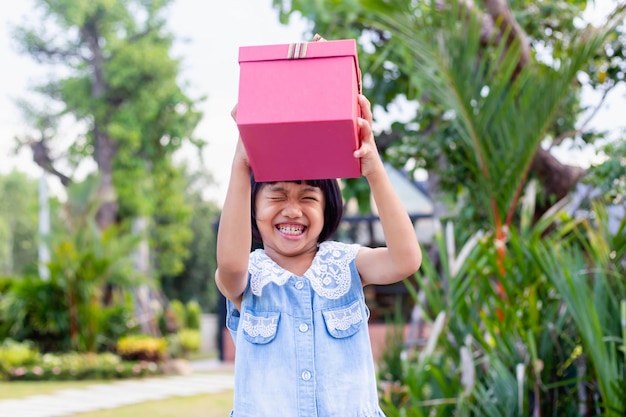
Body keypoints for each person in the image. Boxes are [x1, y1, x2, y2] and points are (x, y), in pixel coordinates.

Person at [215, 94, 423, 417]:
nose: (293, 210)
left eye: (308, 197)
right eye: (278, 196)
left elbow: (406, 259)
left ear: (327, 208)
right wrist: (241, 166)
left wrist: (374, 170)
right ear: (252, 207)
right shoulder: (247, 275)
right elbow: (228, 264)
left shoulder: (346, 263)